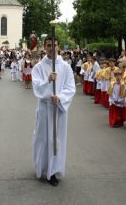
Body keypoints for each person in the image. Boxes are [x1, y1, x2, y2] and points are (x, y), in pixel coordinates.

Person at [32, 36, 76, 186]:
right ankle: (41, 166)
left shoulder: (65, 67)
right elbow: (37, 88)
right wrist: (48, 81)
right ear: (44, 47)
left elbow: (70, 87)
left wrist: (61, 97)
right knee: (43, 139)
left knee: (56, 141)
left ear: (58, 47)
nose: (52, 48)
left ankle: (53, 172)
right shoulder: (38, 67)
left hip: (59, 109)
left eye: (54, 45)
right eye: (49, 45)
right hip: (45, 109)